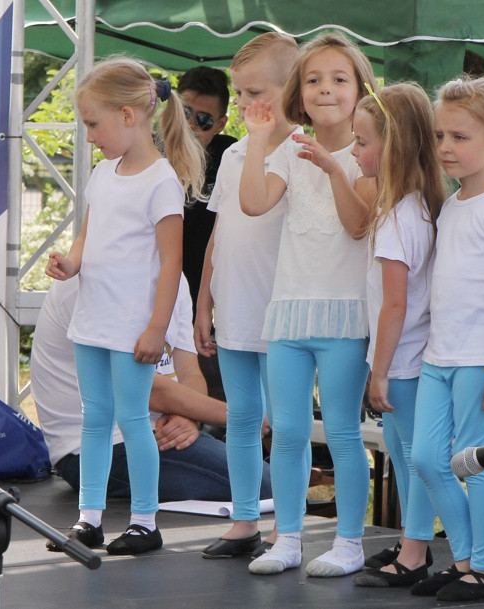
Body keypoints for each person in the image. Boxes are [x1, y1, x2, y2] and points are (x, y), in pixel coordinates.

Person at [44, 58, 205, 556]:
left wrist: (157, 327)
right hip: (93, 320)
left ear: (129, 115)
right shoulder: (104, 173)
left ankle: (143, 519)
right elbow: (89, 235)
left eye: (94, 123)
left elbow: (171, 261)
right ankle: (88, 518)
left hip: (132, 325)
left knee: (132, 419)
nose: (89, 134)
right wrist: (71, 262)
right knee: (97, 417)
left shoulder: (160, 181)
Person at [238, 33, 377, 577]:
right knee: (290, 430)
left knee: (341, 431)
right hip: (290, 308)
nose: (326, 89)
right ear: (299, 91)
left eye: (339, 79)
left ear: (360, 88)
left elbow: (358, 223)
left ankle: (349, 542)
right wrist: (258, 139)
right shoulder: (288, 149)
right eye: (314, 79)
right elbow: (252, 203)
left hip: (343, 312)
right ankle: (288, 537)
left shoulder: (368, 151)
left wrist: (331, 166)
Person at [402, 76, 484, 602]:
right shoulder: (452, 206)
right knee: (427, 458)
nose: (446, 148)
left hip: (478, 358)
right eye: (440, 136)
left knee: (471, 463)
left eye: (459, 137)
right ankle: (466, 559)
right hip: (440, 354)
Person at [193, 32, 301, 561]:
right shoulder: (234, 153)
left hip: (283, 308)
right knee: (240, 415)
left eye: (254, 92)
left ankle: (288, 524)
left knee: (287, 421)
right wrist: (203, 302)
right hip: (234, 301)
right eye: (238, 94)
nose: (242, 104)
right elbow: (219, 233)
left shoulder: (303, 151)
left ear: (290, 89)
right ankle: (243, 519)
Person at [31, 276, 272, 508]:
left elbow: (189, 371)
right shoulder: (87, 284)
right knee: (266, 486)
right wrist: (240, 417)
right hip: (99, 448)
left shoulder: (174, 280)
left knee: (266, 483)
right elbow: (140, 389)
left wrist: (188, 418)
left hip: (155, 432)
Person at [343, 83, 445, 587]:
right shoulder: (414, 208)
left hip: (403, 360)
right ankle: (412, 541)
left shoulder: (399, 217)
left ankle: (414, 551)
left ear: (394, 145)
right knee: (405, 457)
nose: (355, 151)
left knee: (411, 457)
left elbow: (395, 304)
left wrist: (377, 370)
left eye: (362, 141)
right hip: (409, 356)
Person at [177, 66, 238, 322]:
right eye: (185, 113)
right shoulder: (146, 152)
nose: (191, 125)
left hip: (202, 296)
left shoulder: (231, 156)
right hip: (148, 290)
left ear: (221, 124)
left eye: (203, 120)